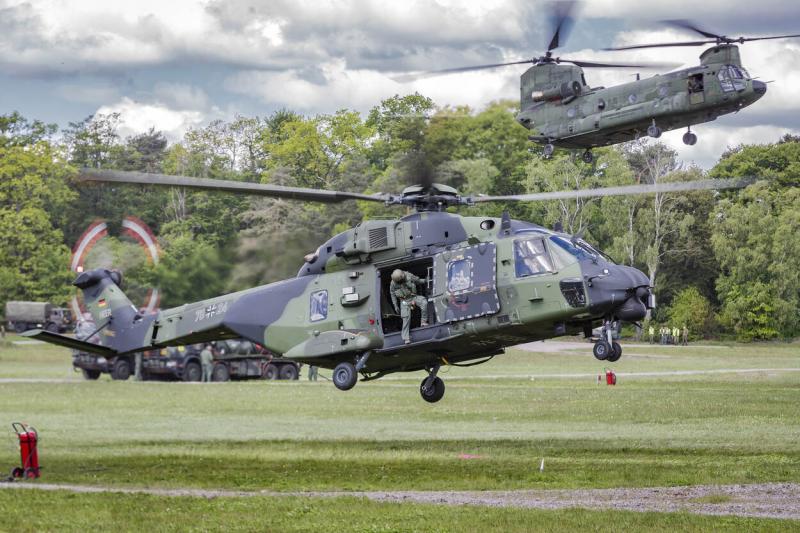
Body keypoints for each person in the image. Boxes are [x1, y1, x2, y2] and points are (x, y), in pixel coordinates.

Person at [390, 269, 429, 344]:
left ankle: (423, 321)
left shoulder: (409, 276)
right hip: (404, 301)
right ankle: (406, 338)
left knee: (424, 302)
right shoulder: (393, 283)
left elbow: (418, 281)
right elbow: (392, 294)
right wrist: (395, 305)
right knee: (406, 317)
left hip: (413, 297)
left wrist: (425, 281)